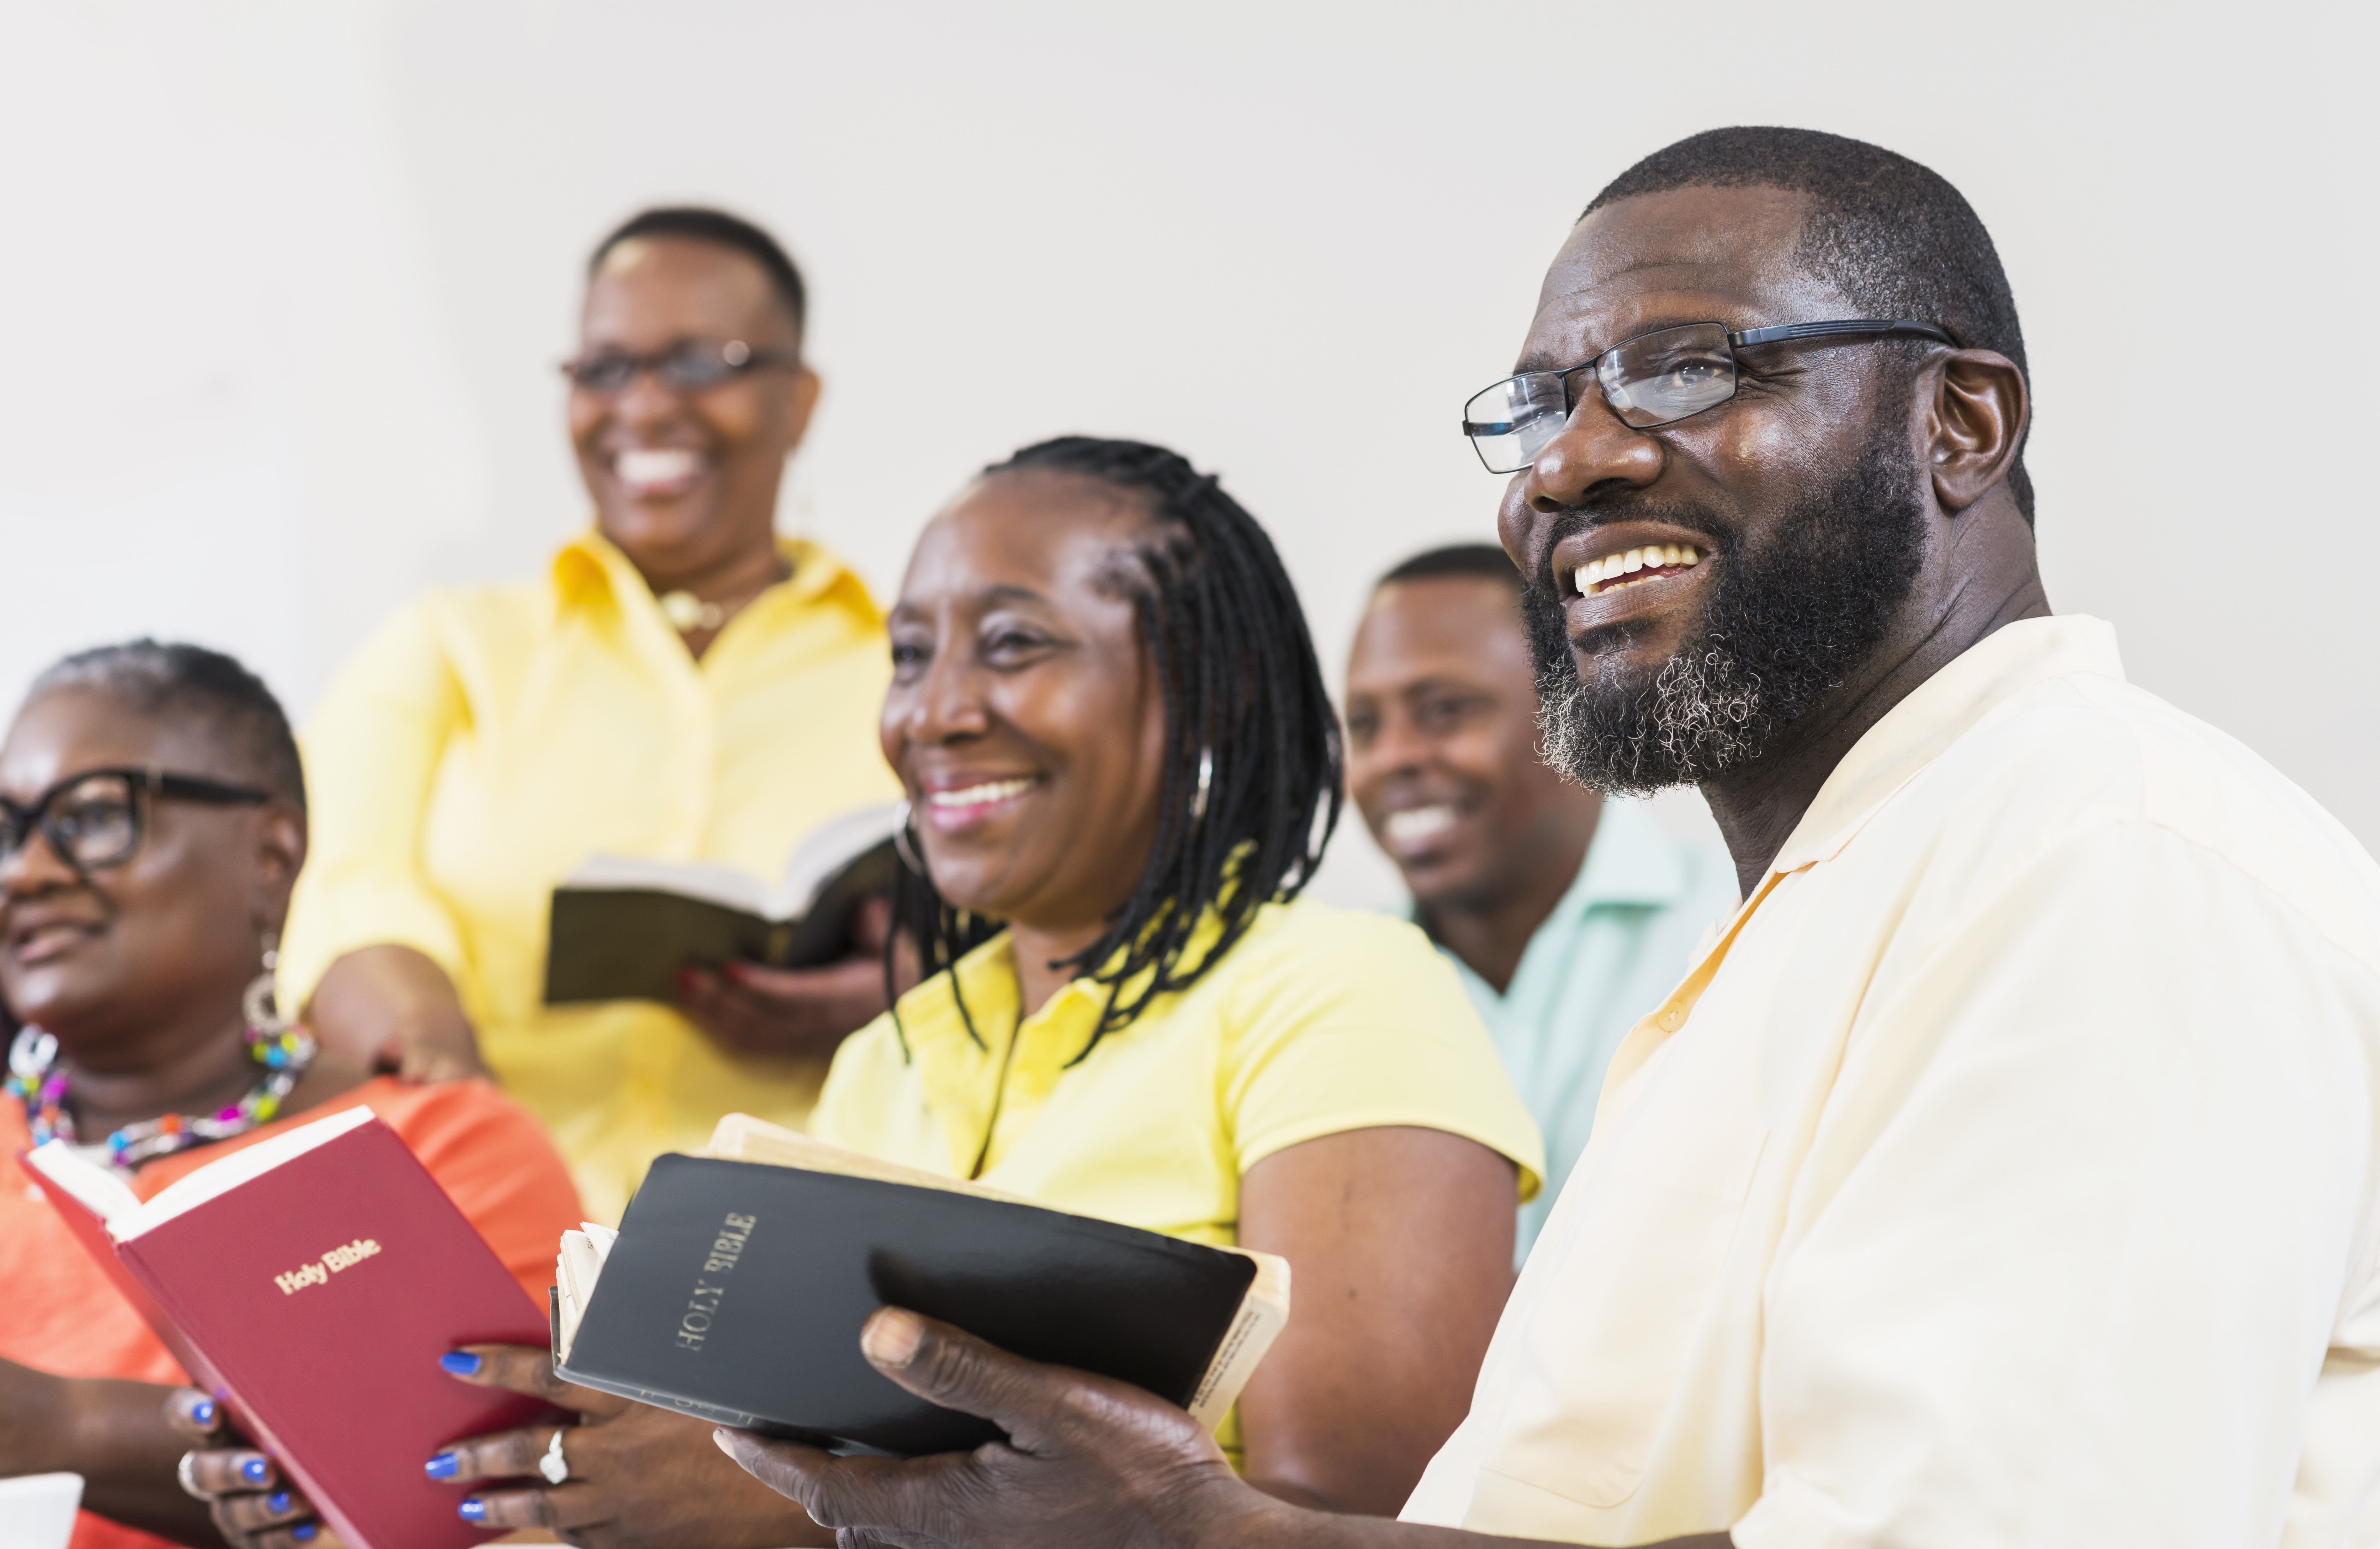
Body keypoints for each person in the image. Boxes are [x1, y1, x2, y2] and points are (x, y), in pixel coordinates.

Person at [707, 128, 2380, 1549]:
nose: (1567, 465)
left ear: (1959, 425)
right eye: (1533, 405)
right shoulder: (1831, 909)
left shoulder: (2107, 866)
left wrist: (1214, 1542)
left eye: (1684, 368)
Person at [188, 437, 1548, 1547]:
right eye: (908, 654)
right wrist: (484, 1477)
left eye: (1011, 644)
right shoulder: (891, 1053)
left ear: (1203, 696)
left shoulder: (1343, 991)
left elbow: (1353, 1520)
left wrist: (792, 1509)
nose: (932, 712)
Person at [278, 206, 903, 1222]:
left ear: (800, 400)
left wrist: (908, 997)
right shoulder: (450, 646)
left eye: (704, 362)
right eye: (604, 369)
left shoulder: (909, 667)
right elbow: (343, 876)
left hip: (795, 1267)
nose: (647, 406)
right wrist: (432, 1051)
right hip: (485, 1227)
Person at [0, 641, 581, 1549]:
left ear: (270, 852)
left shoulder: (440, 1143)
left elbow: (493, 1487)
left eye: (93, 817)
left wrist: (73, 1431)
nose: (24, 871)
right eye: (9, 829)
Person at [1343, 544, 1737, 1263]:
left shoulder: (1742, 927)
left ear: (1575, 701)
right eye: (1362, 725)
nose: (1391, 756)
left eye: (1444, 710)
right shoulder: (1331, 990)